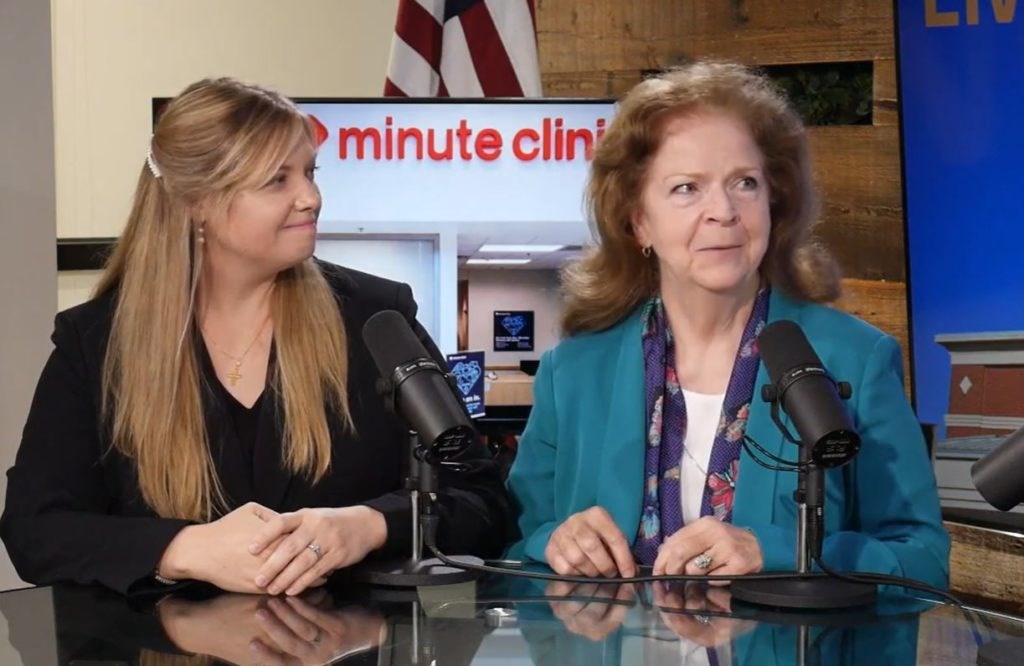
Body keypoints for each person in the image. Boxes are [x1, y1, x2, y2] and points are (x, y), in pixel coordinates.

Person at [1, 77, 508, 596]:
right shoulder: (94, 343)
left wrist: (370, 526)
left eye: (311, 173)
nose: (310, 198)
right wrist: (183, 549)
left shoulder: (378, 317)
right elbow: (35, 529)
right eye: (277, 181)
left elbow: (482, 499)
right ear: (196, 202)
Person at [506, 61, 949, 588]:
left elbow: (921, 559)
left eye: (745, 183)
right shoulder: (573, 372)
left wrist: (779, 550)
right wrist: (554, 540)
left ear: (773, 202)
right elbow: (516, 536)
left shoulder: (855, 357)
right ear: (638, 221)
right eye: (687, 188)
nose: (723, 210)